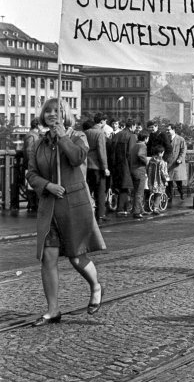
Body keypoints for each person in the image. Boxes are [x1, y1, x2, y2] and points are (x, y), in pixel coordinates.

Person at [26, 99, 106, 327]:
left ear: (65, 114)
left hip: (73, 204)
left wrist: (62, 137)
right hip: (50, 206)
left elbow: (78, 158)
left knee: (76, 255)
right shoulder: (39, 143)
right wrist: (47, 185)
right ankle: (53, 310)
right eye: (48, 111)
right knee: (48, 257)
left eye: (57, 111)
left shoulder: (77, 136)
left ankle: (96, 286)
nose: (52, 114)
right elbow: (31, 174)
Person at [84, 113, 110, 222]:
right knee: (100, 191)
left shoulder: (85, 132)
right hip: (97, 166)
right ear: (102, 121)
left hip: (86, 166)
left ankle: (86, 213)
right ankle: (100, 214)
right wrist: (105, 167)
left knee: (88, 190)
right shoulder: (100, 133)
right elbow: (101, 151)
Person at [111, 119, 137, 216]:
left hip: (116, 165)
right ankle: (121, 209)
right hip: (126, 165)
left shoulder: (117, 134)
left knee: (119, 187)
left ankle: (120, 208)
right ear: (132, 126)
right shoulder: (131, 136)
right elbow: (131, 154)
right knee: (124, 188)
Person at [23, 118, 45, 213]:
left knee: (32, 185)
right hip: (32, 165)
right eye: (41, 125)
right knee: (32, 185)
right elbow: (29, 152)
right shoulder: (32, 136)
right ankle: (33, 204)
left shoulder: (32, 135)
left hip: (31, 165)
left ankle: (33, 204)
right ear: (38, 125)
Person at [166, 123, 187, 203]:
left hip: (176, 163)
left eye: (169, 130)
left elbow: (183, 150)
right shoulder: (166, 139)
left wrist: (180, 159)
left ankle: (181, 193)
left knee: (178, 181)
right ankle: (169, 197)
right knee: (168, 181)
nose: (167, 131)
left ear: (173, 130)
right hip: (168, 163)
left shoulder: (181, 139)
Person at [130, 131, 149, 218]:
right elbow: (140, 155)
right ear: (145, 138)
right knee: (139, 192)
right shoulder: (142, 145)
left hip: (133, 169)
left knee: (136, 191)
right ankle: (137, 211)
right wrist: (146, 161)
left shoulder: (135, 145)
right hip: (139, 170)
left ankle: (138, 209)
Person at [147, 145, 168, 214]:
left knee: (152, 192)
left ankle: (149, 205)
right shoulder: (161, 162)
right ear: (160, 153)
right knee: (158, 194)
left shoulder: (151, 160)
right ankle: (156, 208)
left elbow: (147, 169)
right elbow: (162, 172)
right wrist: (165, 180)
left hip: (151, 180)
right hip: (159, 181)